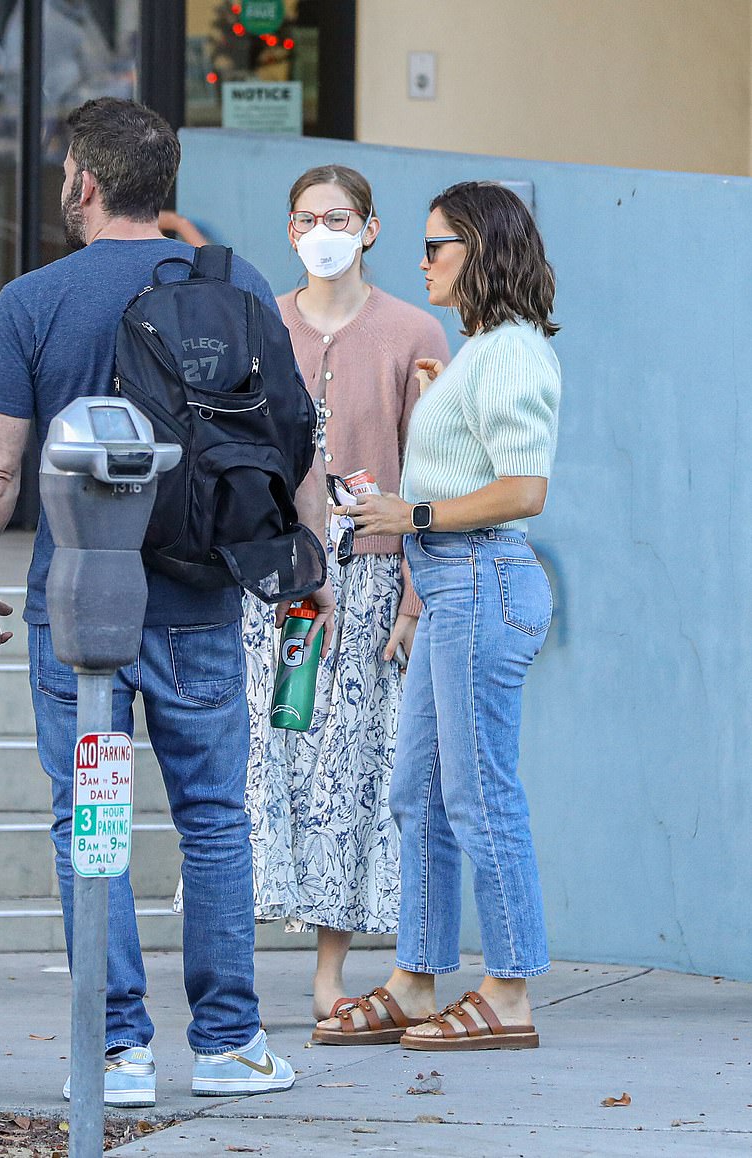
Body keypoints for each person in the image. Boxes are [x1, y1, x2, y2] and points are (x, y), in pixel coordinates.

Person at [0, 96, 334, 1106]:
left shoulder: (32, 301)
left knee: (89, 814)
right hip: (201, 601)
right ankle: (227, 1044)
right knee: (213, 818)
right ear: (163, 189)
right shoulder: (238, 284)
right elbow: (292, 438)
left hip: (75, 607)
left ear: (83, 181)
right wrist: (310, 572)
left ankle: (114, 1051)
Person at [314, 180, 561, 1050]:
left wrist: (408, 515)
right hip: (456, 587)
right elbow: (480, 456)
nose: (420, 262)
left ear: (481, 253)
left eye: (436, 246)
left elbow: (524, 490)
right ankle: (417, 980)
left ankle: (511, 989)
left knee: (479, 793)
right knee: (416, 790)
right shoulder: (484, 350)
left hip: (479, 584)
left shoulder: (514, 350)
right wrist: (444, 388)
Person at [242, 164, 449, 1021]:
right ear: (288, 232)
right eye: (303, 218)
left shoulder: (413, 330)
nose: (319, 231)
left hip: (367, 572)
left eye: (337, 216)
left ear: (368, 228)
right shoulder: (258, 323)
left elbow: (429, 466)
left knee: (349, 768)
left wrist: (410, 599)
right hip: (271, 577)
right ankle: (234, 967)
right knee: (261, 758)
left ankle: (330, 972)